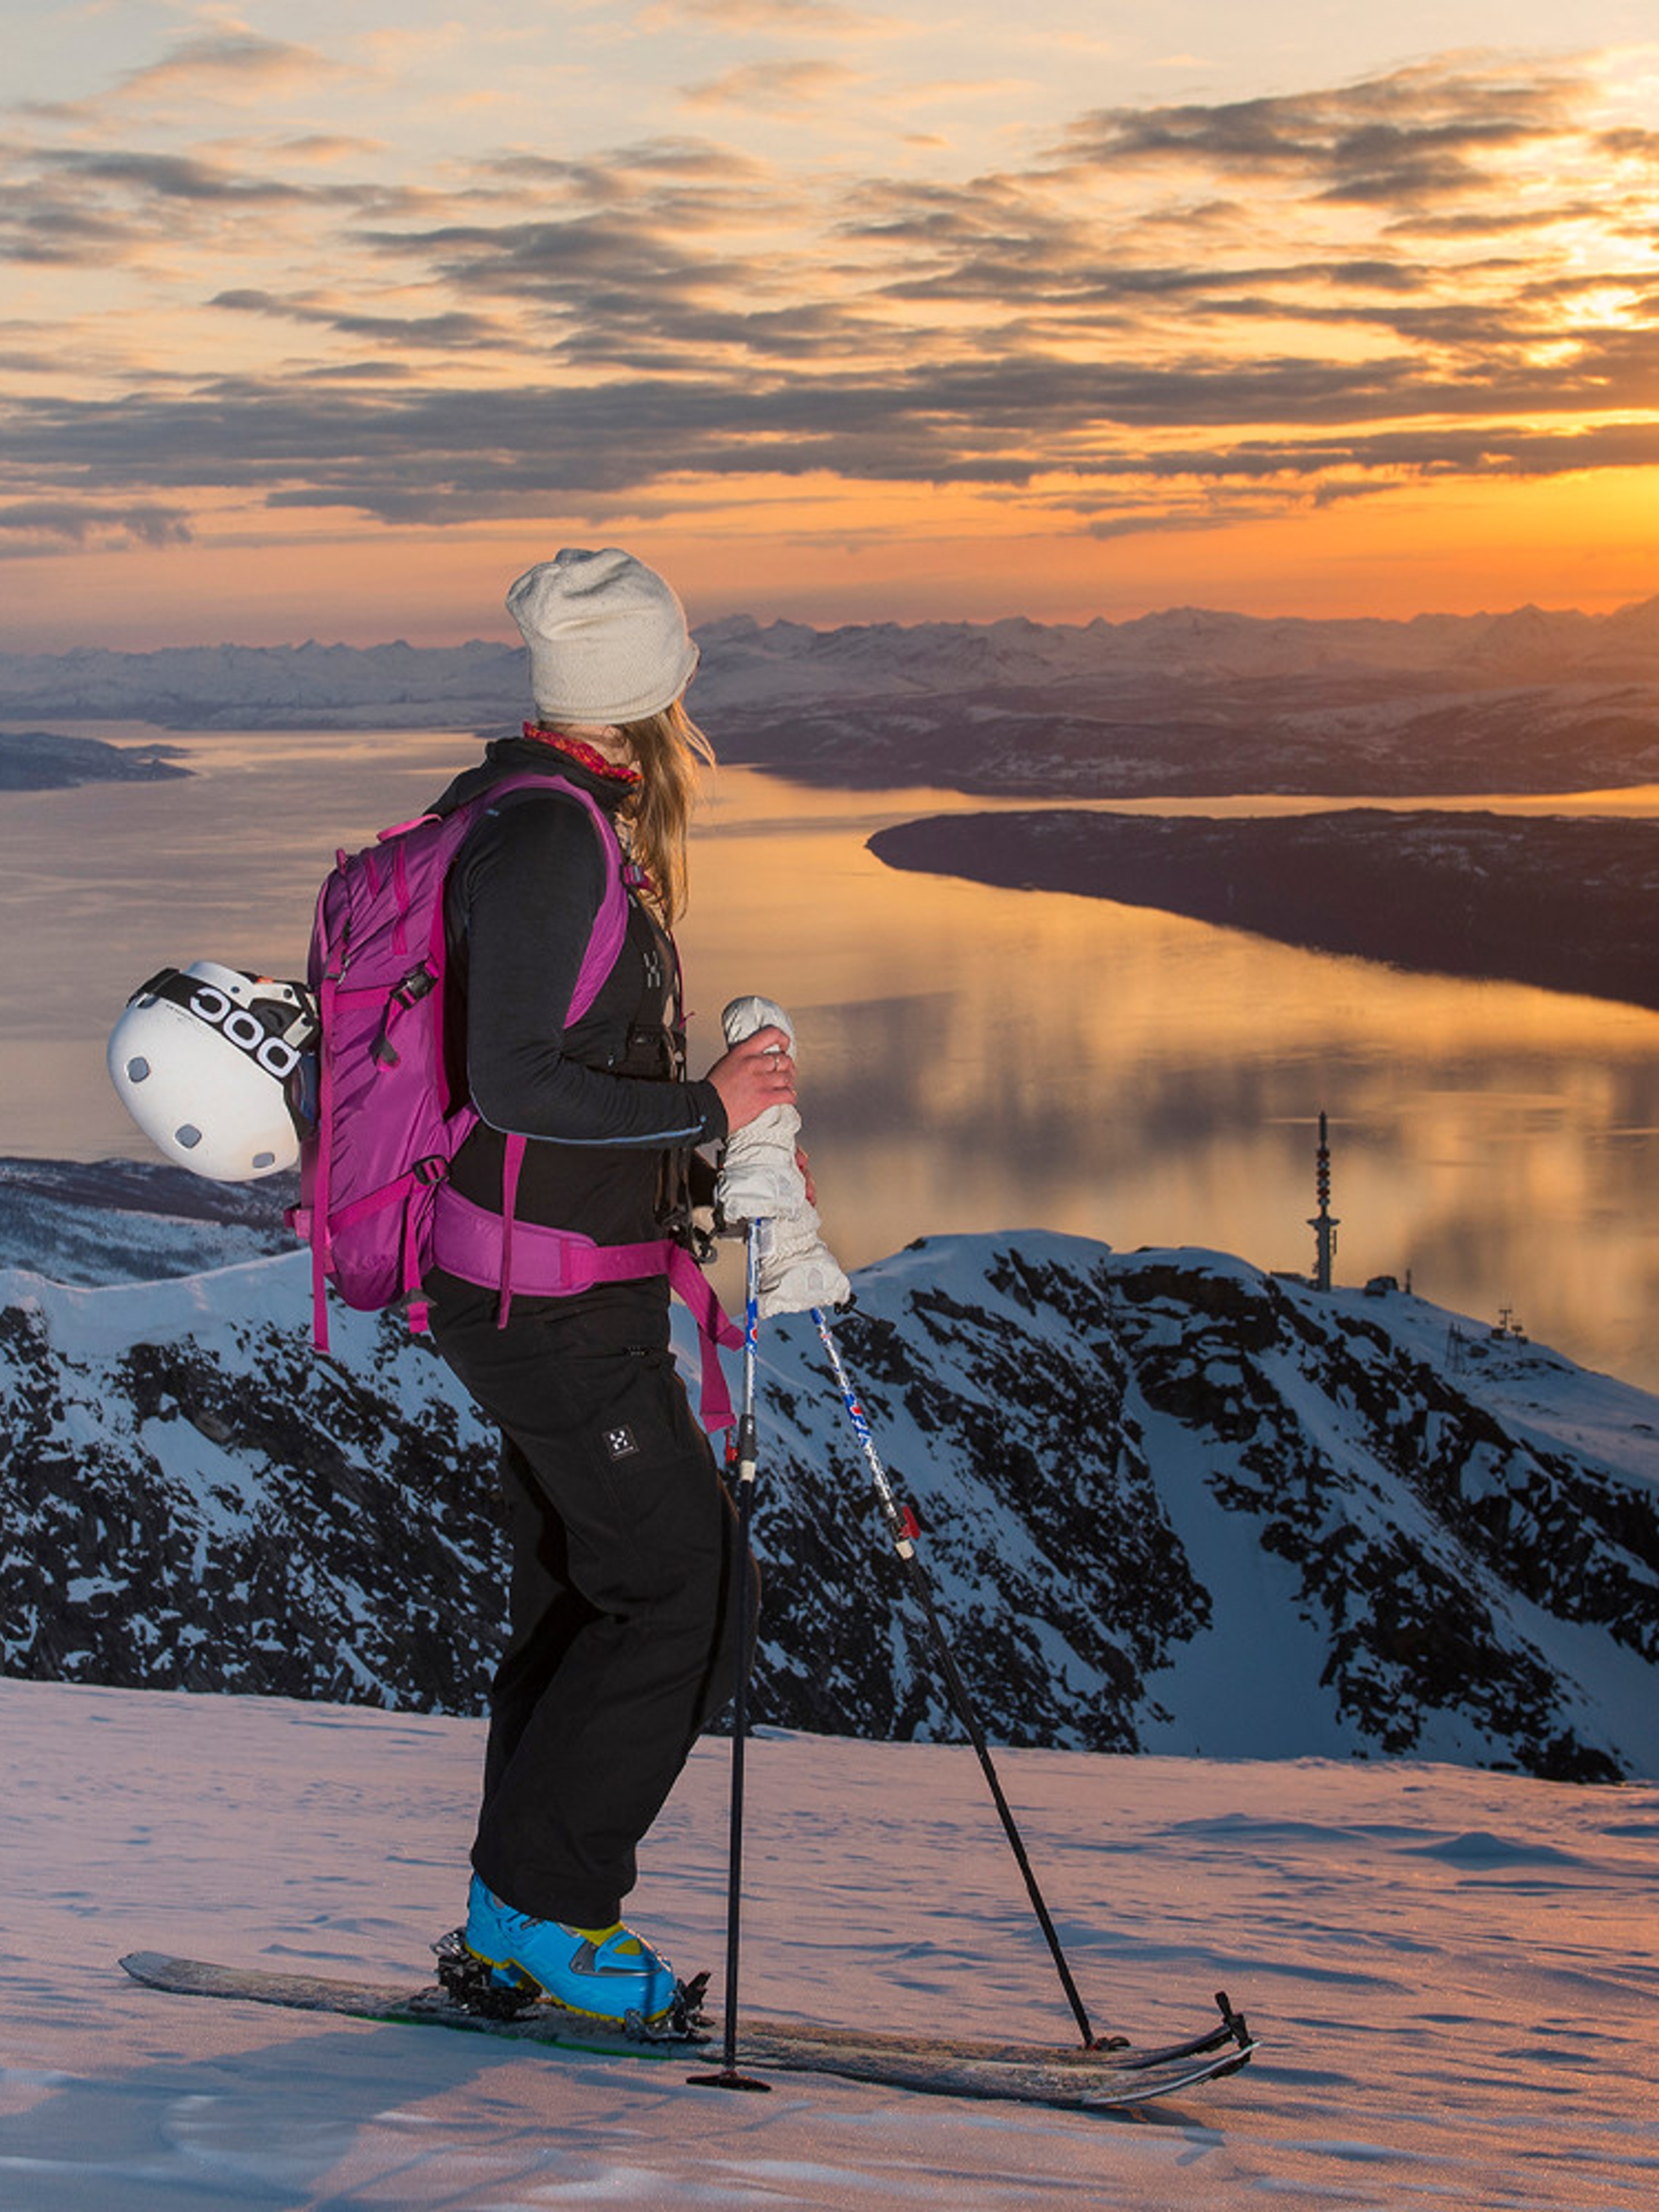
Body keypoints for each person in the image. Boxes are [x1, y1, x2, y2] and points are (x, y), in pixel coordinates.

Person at [422, 547, 795, 2024]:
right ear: (653, 689)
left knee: (586, 1592)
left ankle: (513, 1908)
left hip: (551, 1285)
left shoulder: (538, 816)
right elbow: (512, 1084)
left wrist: (705, 1159)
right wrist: (710, 1115)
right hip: (550, 1307)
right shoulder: (552, 842)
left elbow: (553, 1074)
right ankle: (553, 1919)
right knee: (689, 1597)